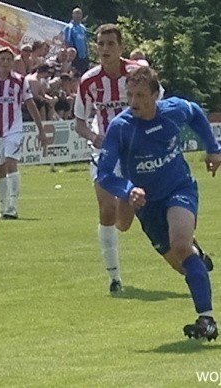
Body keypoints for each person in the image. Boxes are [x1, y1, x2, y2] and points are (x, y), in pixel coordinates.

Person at [97, 66, 220, 340]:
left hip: (179, 188)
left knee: (180, 245)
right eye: (130, 95)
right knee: (181, 264)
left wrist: (213, 148)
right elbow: (105, 173)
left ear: (155, 95)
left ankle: (206, 319)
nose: (134, 102)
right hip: (146, 204)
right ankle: (196, 255)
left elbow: (196, 113)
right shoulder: (121, 127)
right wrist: (128, 189)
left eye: (140, 95)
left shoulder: (173, 111)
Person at [74, 23, 143, 293]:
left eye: (110, 44)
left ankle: (187, 245)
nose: (104, 49)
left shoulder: (138, 74)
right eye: (100, 44)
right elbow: (79, 123)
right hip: (103, 153)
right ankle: (114, 277)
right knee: (107, 209)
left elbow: (157, 107)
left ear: (121, 47)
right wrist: (94, 138)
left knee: (124, 223)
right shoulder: (88, 81)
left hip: (135, 153)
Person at [0, 47, 47, 220]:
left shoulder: (20, 82)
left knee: (10, 161)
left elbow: (30, 104)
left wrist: (40, 130)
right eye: (3, 59)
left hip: (14, 129)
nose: (5, 62)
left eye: (8, 59)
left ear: (12, 62)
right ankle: (2, 207)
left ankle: (13, 207)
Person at [62, 7, 89, 74]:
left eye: (80, 14)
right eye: (76, 14)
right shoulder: (69, 27)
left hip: (83, 57)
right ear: (72, 15)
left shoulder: (83, 28)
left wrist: (87, 55)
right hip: (74, 57)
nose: (78, 16)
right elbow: (66, 42)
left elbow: (85, 42)